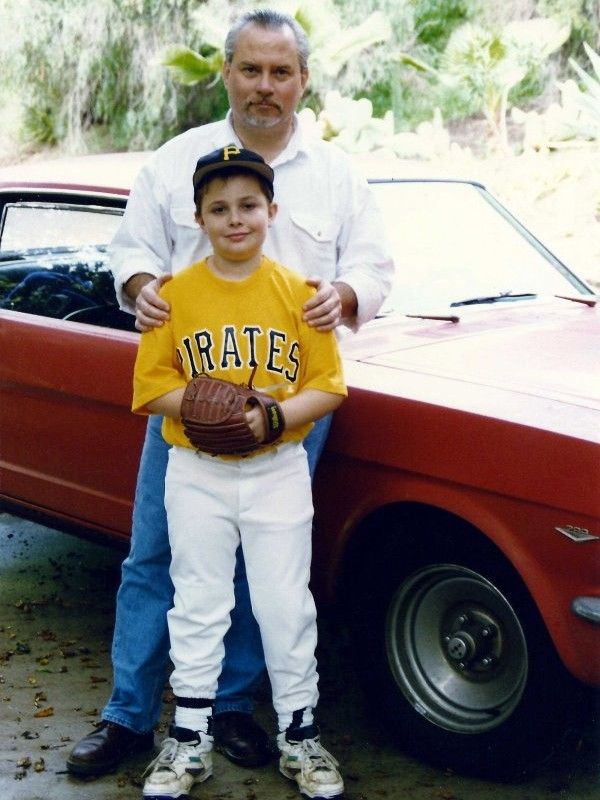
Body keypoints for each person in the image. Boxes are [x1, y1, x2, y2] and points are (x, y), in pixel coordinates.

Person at [67, 7, 393, 777]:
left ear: (304, 80)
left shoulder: (339, 176)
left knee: (265, 568)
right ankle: (128, 715)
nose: (266, 85)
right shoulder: (179, 159)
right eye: (251, 68)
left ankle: (234, 710)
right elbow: (133, 249)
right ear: (227, 73)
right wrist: (143, 286)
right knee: (157, 557)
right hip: (191, 401)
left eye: (282, 72)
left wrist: (343, 296)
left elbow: (376, 268)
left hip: (291, 408)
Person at [133, 144, 347, 800]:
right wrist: (205, 407)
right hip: (195, 468)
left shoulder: (302, 296)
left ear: (271, 210)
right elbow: (150, 386)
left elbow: (329, 386)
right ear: (196, 218)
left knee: (284, 604)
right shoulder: (172, 295)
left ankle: (300, 735)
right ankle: (189, 739)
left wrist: (273, 419)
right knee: (199, 600)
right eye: (218, 208)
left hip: (276, 468)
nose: (235, 219)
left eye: (248, 205)